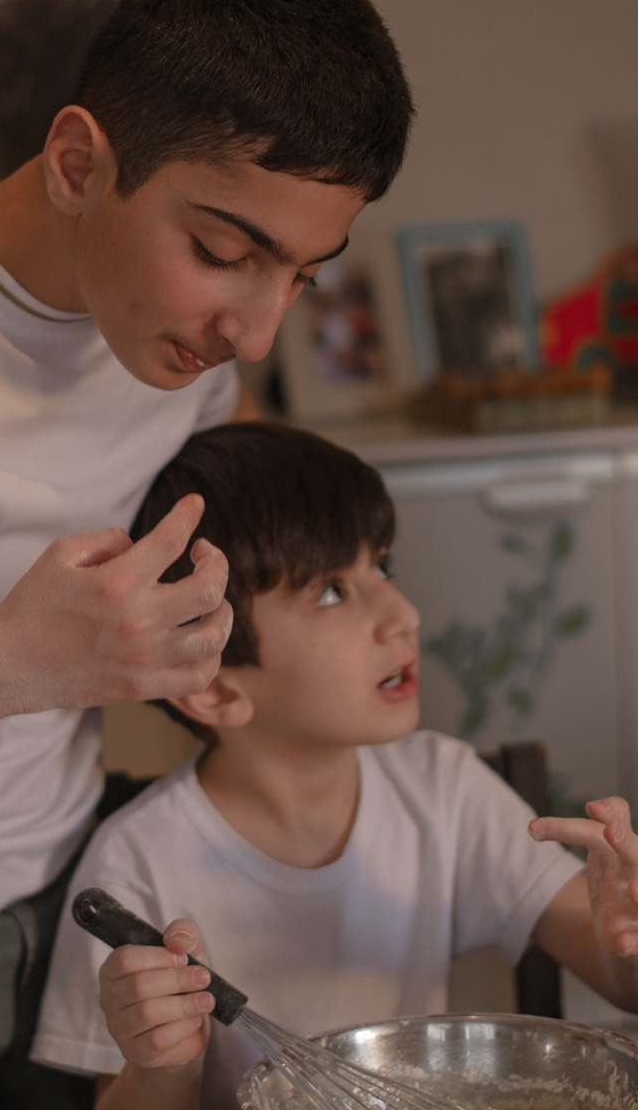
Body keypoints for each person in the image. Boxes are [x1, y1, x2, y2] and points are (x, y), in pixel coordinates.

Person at [0, 0, 413, 1106]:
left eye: (302, 273)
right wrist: (8, 663)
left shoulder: (175, 342)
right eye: (222, 251)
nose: (257, 330)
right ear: (78, 162)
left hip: (76, 891)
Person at [32, 420, 638, 1110]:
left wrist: (628, 933)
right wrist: (162, 1068)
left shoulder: (444, 789)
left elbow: (621, 980)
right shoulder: (136, 865)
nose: (403, 614)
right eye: (330, 592)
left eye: (383, 567)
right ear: (216, 686)